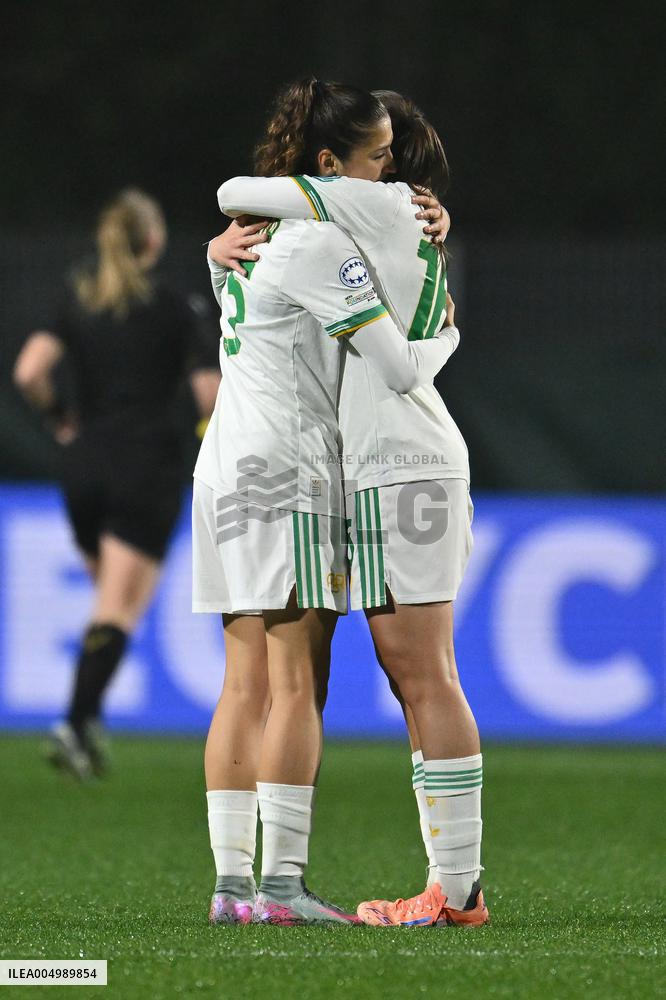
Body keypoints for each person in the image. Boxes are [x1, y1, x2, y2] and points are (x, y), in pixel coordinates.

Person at [209, 84, 488, 929]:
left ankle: (450, 889)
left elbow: (237, 208)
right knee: (378, 677)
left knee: (408, 674)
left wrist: (215, 245)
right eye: (378, 155)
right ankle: (418, 888)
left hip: (381, 464)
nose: (384, 169)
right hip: (351, 464)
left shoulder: (347, 217)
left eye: (389, 159)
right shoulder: (370, 225)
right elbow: (406, 352)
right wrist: (445, 335)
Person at [13, 188, 221, 780]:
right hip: (146, 463)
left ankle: (86, 720)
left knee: (106, 601)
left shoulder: (78, 299)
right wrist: (208, 438)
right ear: (153, 241)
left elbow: (29, 371)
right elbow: (210, 395)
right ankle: (75, 724)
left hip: (83, 465)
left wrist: (59, 419)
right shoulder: (177, 306)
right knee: (120, 607)